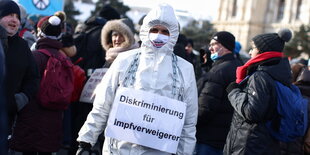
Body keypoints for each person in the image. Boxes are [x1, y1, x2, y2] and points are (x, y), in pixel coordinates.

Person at [76, 3, 198, 155]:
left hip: (159, 151)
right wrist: (86, 139)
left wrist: (184, 152)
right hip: (119, 148)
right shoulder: (125, 60)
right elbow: (103, 103)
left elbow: (189, 120)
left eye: (164, 31)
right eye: (154, 29)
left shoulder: (184, 69)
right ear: (146, 30)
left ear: (173, 34)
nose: (158, 34)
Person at [224, 29, 293, 155]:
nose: (250, 52)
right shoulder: (280, 73)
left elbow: (252, 112)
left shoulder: (260, 76)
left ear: (263, 51)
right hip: (265, 143)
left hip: (249, 144)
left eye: (253, 48)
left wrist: (234, 92)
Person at [9, 15, 67, 154]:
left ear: (40, 33)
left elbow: (20, 83)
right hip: (54, 119)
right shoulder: (64, 59)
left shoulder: (34, 56)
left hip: (30, 117)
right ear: (59, 34)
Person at [195, 31, 242, 155]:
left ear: (225, 46)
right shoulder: (238, 67)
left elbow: (205, 108)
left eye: (214, 44)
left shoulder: (219, 71)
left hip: (207, 139)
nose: (210, 48)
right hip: (227, 139)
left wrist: (190, 124)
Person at [0, 0, 40, 134]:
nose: (14, 20)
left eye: (17, 17)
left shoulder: (22, 46)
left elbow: (33, 78)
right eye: (10, 15)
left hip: (7, 118)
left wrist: (19, 100)